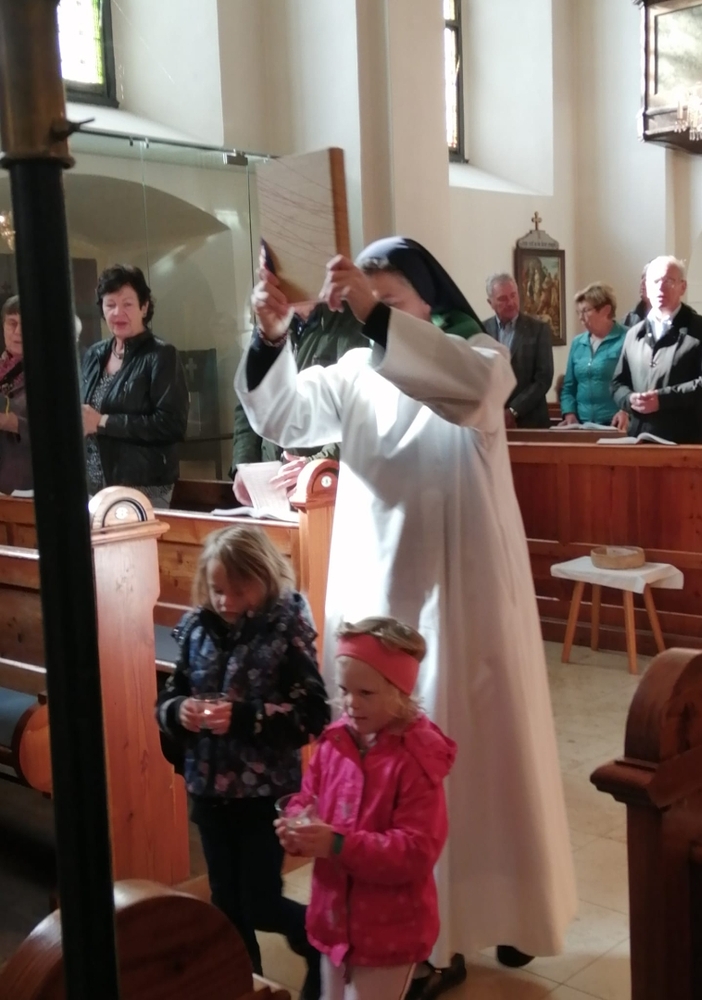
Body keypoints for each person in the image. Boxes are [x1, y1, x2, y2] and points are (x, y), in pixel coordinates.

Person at [236, 236, 576, 994]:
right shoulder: (357, 371)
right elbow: (285, 412)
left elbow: (469, 391)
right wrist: (270, 335)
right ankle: (418, 940)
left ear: (429, 299)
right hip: (384, 587)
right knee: (387, 766)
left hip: (465, 597)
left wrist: (373, 315)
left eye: (387, 299)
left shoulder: (480, 356)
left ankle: (502, 909)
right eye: (367, 299)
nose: (370, 311)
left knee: (479, 759)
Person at [155, 524, 330, 1000]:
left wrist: (243, 717)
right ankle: (244, 987)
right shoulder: (196, 627)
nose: (226, 601)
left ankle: (320, 943)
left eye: (239, 590)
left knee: (259, 903)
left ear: (266, 579)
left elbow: (312, 715)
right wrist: (179, 712)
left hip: (263, 795)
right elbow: (169, 696)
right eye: (217, 589)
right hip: (208, 790)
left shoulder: (286, 630)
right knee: (226, 906)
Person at [276, 616, 457, 1000]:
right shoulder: (335, 743)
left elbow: (416, 850)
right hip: (332, 918)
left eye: (366, 693)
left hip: (390, 931)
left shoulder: (415, 760)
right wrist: (296, 822)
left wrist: (337, 844)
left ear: (400, 692)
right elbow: (308, 797)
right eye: (344, 690)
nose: (350, 703)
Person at [231, 301, 368, 499]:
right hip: (270, 487)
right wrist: (245, 466)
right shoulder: (272, 325)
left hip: (323, 489)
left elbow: (360, 413)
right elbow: (248, 405)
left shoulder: (352, 321)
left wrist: (315, 465)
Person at [80, 264, 189, 508]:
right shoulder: (94, 354)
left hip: (145, 487)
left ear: (144, 307)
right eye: (110, 304)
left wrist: (103, 422)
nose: (118, 312)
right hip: (94, 487)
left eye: (127, 304)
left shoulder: (162, 355)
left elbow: (172, 425)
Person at [611, 255, 702, 444]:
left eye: (669, 281)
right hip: (641, 437)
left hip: (687, 439)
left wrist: (664, 399)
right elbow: (617, 383)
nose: (660, 287)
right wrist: (630, 399)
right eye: (655, 281)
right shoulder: (634, 333)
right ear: (646, 287)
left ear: (683, 287)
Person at [482, 273, 553, 428]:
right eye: (502, 298)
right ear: (490, 302)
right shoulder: (482, 330)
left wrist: (514, 410)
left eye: (513, 295)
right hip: (492, 421)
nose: (510, 302)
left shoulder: (538, 329)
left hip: (531, 421)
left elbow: (543, 378)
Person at [559, 282, 628, 429]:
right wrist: (569, 413)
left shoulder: (627, 338)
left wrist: (625, 411)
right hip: (582, 425)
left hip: (615, 424)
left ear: (606, 310)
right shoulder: (578, 343)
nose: (581, 318)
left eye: (586, 311)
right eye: (578, 312)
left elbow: (638, 384)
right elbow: (569, 387)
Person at [0, 297, 31, 496]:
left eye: (25, 324)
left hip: (25, 485)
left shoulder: (51, 373)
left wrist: (12, 422)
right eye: (12, 323)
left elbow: (57, 431)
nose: (18, 331)